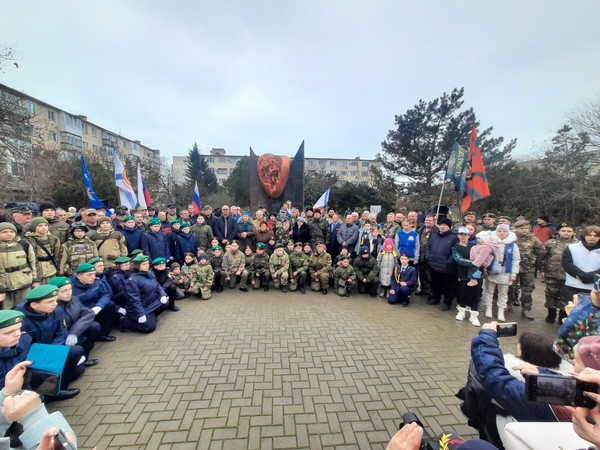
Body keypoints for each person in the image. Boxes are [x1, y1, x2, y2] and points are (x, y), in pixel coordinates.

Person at [16, 285, 85, 398]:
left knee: (77, 357)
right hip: (33, 356)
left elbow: (61, 332)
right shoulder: (22, 320)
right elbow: (24, 345)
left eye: (55, 300)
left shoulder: (56, 311)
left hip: (51, 348)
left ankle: (59, 389)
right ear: (34, 305)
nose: (55, 304)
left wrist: (53, 350)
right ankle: (47, 392)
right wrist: (46, 355)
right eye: (50, 302)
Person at [49, 276, 100, 367]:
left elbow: (89, 313)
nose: (69, 293)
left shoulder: (74, 300)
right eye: (64, 291)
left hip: (72, 333)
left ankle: (84, 358)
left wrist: (74, 332)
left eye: (70, 289)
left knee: (94, 326)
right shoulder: (51, 307)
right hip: (59, 339)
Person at [540, 221, 578, 323]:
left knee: (566, 297)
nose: (566, 233)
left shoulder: (577, 244)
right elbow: (543, 257)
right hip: (551, 274)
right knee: (550, 294)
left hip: (569, 276)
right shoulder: (550, 242)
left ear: (573, 232)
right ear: (558, 232)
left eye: (569, 231)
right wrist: (542, 270)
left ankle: (563, 316)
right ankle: (551, 314)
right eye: (563, 230)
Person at [481, 224, 520, 322]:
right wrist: (485, 269)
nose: (501, 233)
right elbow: (485, 256)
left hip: (505, 272)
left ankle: (501, 311)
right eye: (499, 231)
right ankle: (488, 308)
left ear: (508, 232)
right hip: (492, 270)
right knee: (489, 291)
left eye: (504, 231)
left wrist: (514, 273)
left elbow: (516, 259)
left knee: (503, 293)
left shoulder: (512, 244)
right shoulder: (491, 242)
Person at [70, 263, 117, 342]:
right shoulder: (71, 288)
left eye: (94, 274)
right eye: (89, 275)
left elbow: (105, 294)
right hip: (82, 312)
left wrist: (99, 306)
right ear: (79, 276)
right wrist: (87, 311)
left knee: (110, 304)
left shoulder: (97, 281)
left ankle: (103, 334)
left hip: (95, 307)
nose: (93, 277)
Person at [121, 255, 168, 333]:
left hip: (151, 303)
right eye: (144, 264)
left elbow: (157, 285)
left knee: (165, 303)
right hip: (141, 307)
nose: (147, 266)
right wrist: (141, 314)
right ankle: (125, 322)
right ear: (137, 266)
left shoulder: (150, 273)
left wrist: (163, 294)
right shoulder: (132, 280)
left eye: (147, 263)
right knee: (150, 328)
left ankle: (151, 317)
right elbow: (134, 299)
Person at [511, 220, 544, 319]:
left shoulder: (533, 239)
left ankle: (526, 309)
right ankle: (508, 304)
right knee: (510, 287)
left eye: (526, 228)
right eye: (521, 228)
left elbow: (541, 253)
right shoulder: (511, 238)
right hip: (513, 267)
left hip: (528, 269)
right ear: (516, 229)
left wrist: (540, 267)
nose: (524, 230)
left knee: (527, 290)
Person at [0, 222, 37, 309]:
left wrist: (35, 279)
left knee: (24, 308)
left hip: (24, 283)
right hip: (5, 287)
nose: (9, 234)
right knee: (6, 311)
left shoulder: (24, 245)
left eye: (11, 231)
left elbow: (33, 263)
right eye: (4, 232)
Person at [425, 218, 458, 311]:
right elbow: (428, 246)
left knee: (447, 286)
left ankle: (447, 303)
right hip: (433, 264)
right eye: (441, 225)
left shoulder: (454, 238)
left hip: (446, 267)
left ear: (449, 227)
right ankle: (435, 298)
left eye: (445, 225)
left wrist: (449, 262)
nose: (442, 227)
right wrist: (428, 257)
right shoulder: (434, 236)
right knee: (434, 283)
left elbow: (455, 252)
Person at [452, 228, 482, 326]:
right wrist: (475, 262)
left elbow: (481, 257)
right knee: (462, 293)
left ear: (469, 236)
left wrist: (477, 263)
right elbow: (459, 259)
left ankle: (474, 315)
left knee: (474, 294)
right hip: (463, 274)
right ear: (458, 235)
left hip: (475, 274)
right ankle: (462, 311)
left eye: (465, 234)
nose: (463, 236)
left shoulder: (475, 246)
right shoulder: (455, 247)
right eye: (461, 234)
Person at [562, 225, 600, 299]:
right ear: (584, 235)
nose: (592, 237)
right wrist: (580, 275)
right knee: (571, 309)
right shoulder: (572, 247)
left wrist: (589, 277)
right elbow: (567, 264)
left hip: (595, 289)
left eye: (596, 236)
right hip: (573, 286)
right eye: (589, 235)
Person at [24, 217, 59, 287]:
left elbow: (57, 256)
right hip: (37, 273)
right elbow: (30, 260)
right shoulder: (27, 240)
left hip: (52, 271)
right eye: (40, 226)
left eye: (45, 225)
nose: (44, 227)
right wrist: (36, 278)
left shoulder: (54, 239)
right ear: (34, 228)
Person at [415, 215, 437, 296]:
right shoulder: (420, 229)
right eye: (426, 220)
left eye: (429, 220)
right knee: (422, 273)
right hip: (420, 254)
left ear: (433, 221)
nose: (427, 222)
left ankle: (431, 291)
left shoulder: (436, 230)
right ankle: (423, 289)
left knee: (430, 275)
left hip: (430, 255)